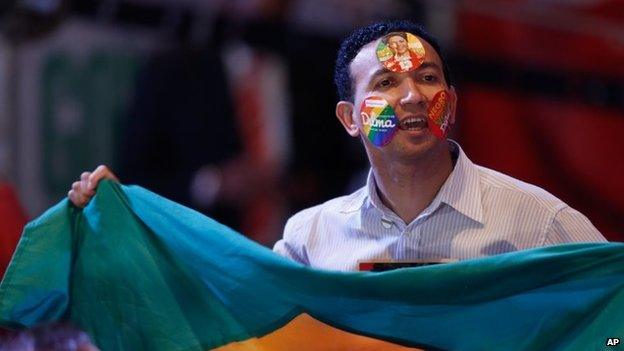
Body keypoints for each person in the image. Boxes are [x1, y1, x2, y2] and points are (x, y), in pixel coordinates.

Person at [68, 20, 606, 272]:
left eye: (428, 77)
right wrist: (134, 215)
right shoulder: (311, 237)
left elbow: (612, 329)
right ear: (349, 118)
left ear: (452, 102)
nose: (413, 95)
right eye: (387, 84)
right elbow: (234, 291)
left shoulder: (540, 222)